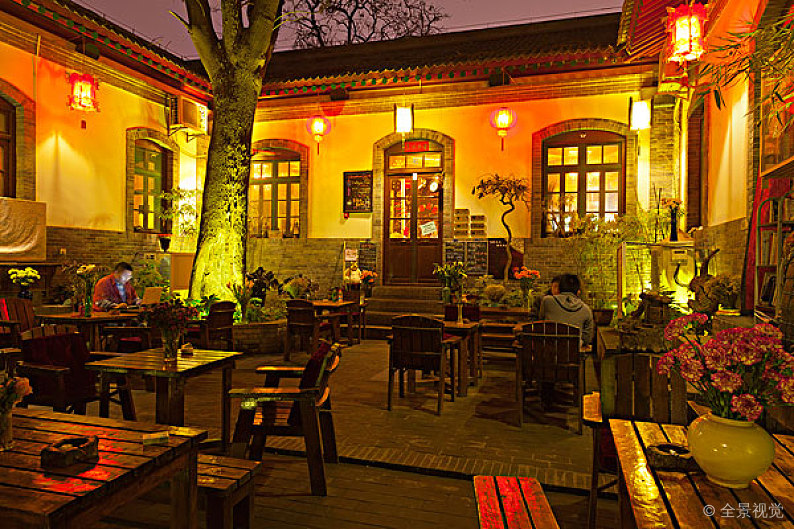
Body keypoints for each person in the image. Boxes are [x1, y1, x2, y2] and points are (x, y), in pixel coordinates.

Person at [538, 273, 594, 347]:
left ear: (559, 288)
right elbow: (587, 338)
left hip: (548, 350)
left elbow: (541, 321)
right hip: (573, 352)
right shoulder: (586, 309)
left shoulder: (547, 301)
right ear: (578, 291)